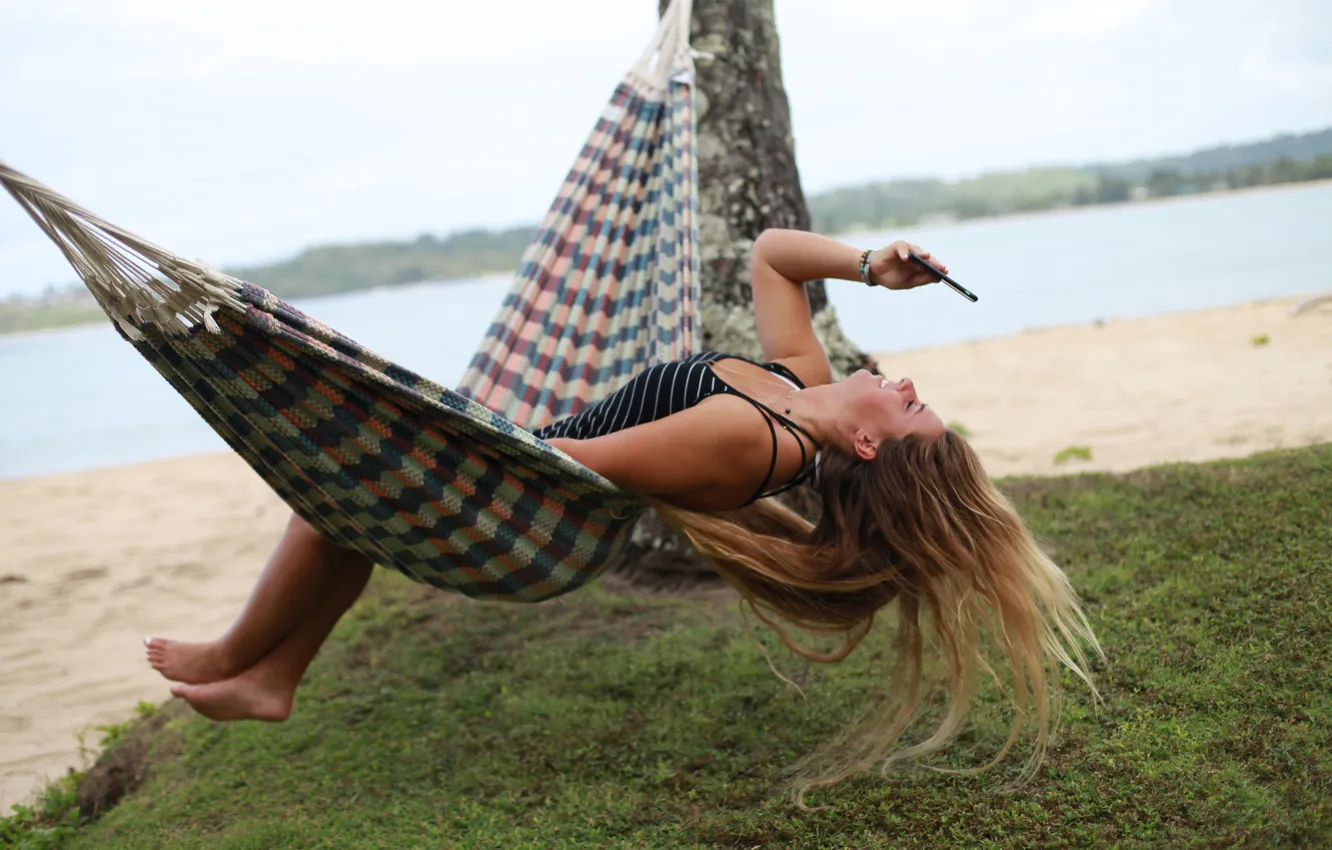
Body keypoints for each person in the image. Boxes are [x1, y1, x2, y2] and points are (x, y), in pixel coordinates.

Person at [146, 229, 1100, 792]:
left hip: (527, 496)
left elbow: (571, 462)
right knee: (347, 513)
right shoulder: (793, 387)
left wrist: (440, 441)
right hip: (518, 464)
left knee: (336, 494)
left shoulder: (749, 438)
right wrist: (869, 263)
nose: (909, 386)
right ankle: (275, 678)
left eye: (912, 410)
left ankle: (237, 656)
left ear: (866, 446)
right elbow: (772, 256)